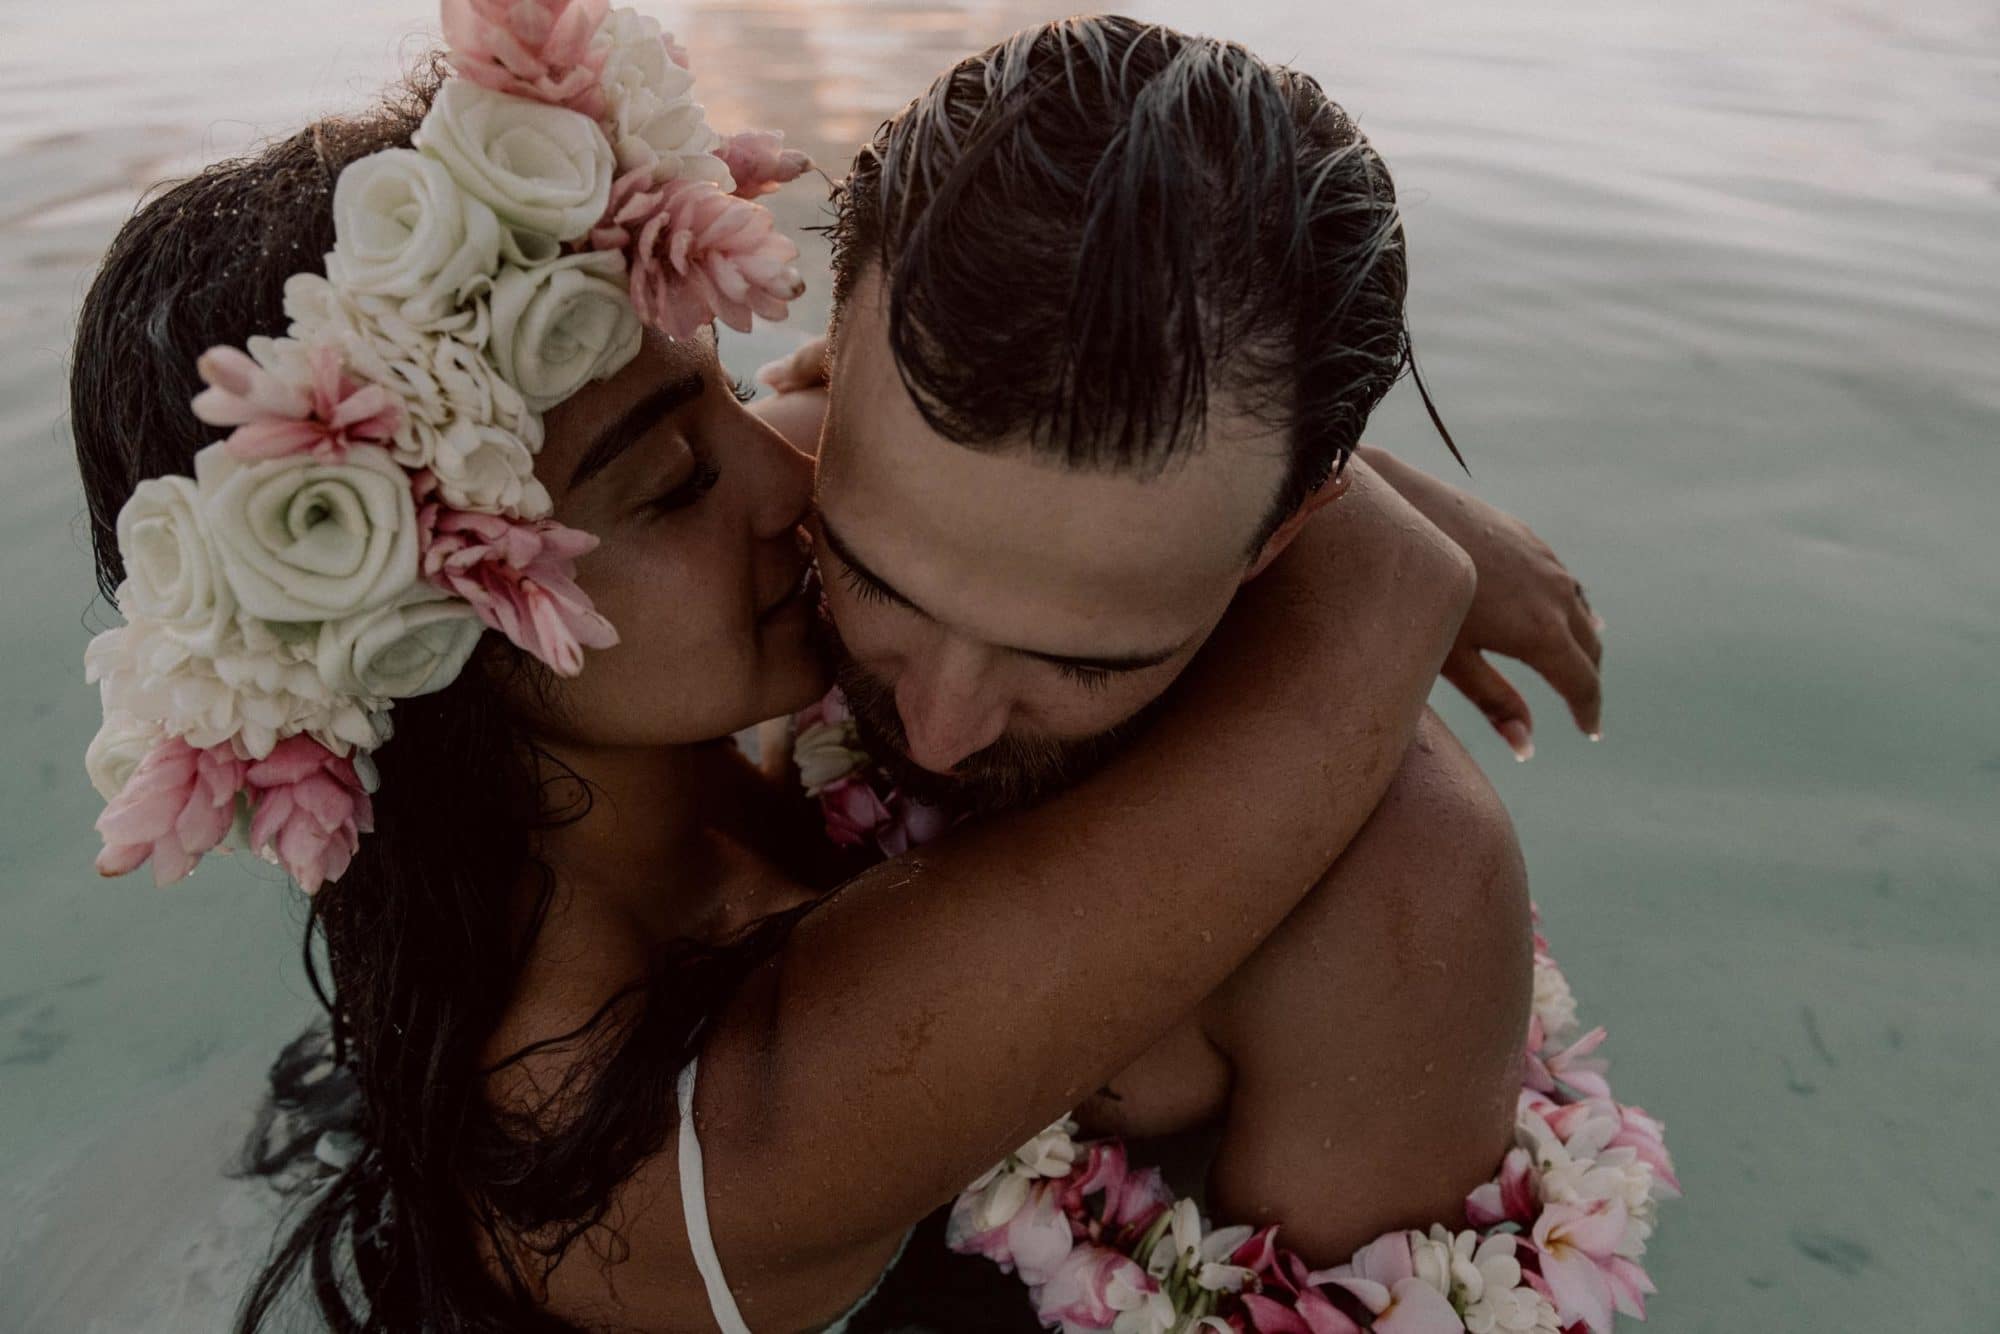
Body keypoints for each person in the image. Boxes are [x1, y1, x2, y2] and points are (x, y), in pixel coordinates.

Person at [67, 13, 1494, 1334]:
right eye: (684, 472)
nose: (786, 470)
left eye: (729, 387)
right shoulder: (698, 1122)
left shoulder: (607, 799)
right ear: (431, 621)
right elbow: (1400, 582)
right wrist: (1368, 511)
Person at [754, 15, 1604, 1267]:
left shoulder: (1394, 905)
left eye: (1082, 658)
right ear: (836, 383)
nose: (938, 722)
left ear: (1280, 539)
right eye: (876, 582)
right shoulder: (725, 519)